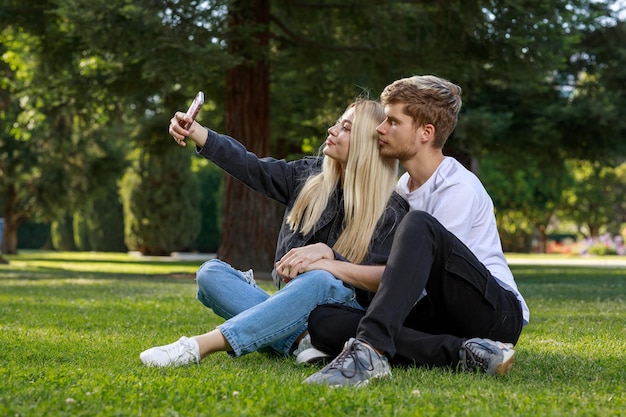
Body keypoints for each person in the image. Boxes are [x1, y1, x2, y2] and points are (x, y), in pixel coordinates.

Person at [139, 99, 408, 367]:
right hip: (291, 305)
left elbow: (384, 283)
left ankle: (197, 346)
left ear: (365, 143)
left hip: (338, 315)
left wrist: (328, 260)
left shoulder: (390, 210)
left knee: (320, 280)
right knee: (211, 275)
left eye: (346, 128)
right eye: (338, 123)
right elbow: (252, 167)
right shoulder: (308, 176)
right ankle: (302, 342)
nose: (332, 129)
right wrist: (198, 132)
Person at [300, 75, 530, 387]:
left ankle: (369, 352)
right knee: (324, 321)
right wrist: (329, 256)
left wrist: (330, 264)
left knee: (419, 224)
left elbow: (409, 278)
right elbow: (399, 278)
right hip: (440, 315)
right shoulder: (403, 189)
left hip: (494, 314)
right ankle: (466, 353)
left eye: (393, 122)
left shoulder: (457, 187)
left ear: (425, 132)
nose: (380, 129)